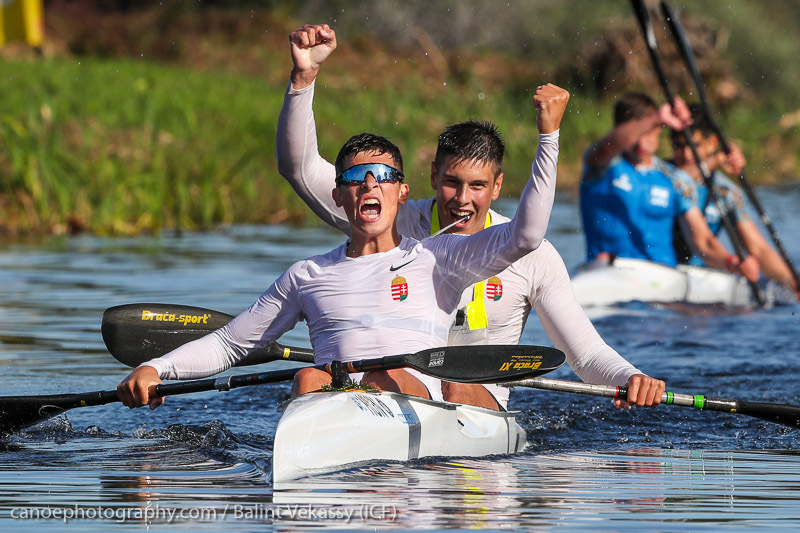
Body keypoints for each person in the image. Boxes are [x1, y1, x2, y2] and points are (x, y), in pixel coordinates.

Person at [117, 70, 577, 409]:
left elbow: (527, 234)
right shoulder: (306, 275)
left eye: (383, 176)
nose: (370, 185)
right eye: (357, 178)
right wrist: (156, 368)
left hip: (417, 400)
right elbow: (229, 344)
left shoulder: (438, 255)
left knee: (390, 376)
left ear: (402, 192)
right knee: (307, 379)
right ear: (339, 196)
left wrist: (549, 137)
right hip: (333, 404)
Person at [275, 23, 665, 411]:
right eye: (451, 183)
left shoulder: (533, 255)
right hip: (385, 391)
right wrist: (303, 79)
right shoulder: (391, 223)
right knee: (311, 378)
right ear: (433, 177)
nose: (462, 200)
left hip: (476, 406)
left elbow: (585, 352)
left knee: (454, 386)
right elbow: (300, 170)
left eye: (477, 186)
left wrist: (630, 377)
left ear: (497, 187)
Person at [580, 92, 759, 283]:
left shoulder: (675, 179)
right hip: (609, 274)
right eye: (636, 132)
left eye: (649, 132)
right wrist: (655, 119)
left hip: (663, 279)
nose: (641, 142)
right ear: (619, 132)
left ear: (659, 130)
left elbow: (703, 241)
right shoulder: (600, 167)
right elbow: (606, 147)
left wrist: (732, 262)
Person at [671, 106, 800, 299]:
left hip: (701, 275)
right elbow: (678, 182)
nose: (687, 154)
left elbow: (758, 249)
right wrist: (716, 161)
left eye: (694, 145)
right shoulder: (661, 175)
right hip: (661, 268)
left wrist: (793, 285)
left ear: (712, 143)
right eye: (679, 146)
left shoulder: (728, 192)